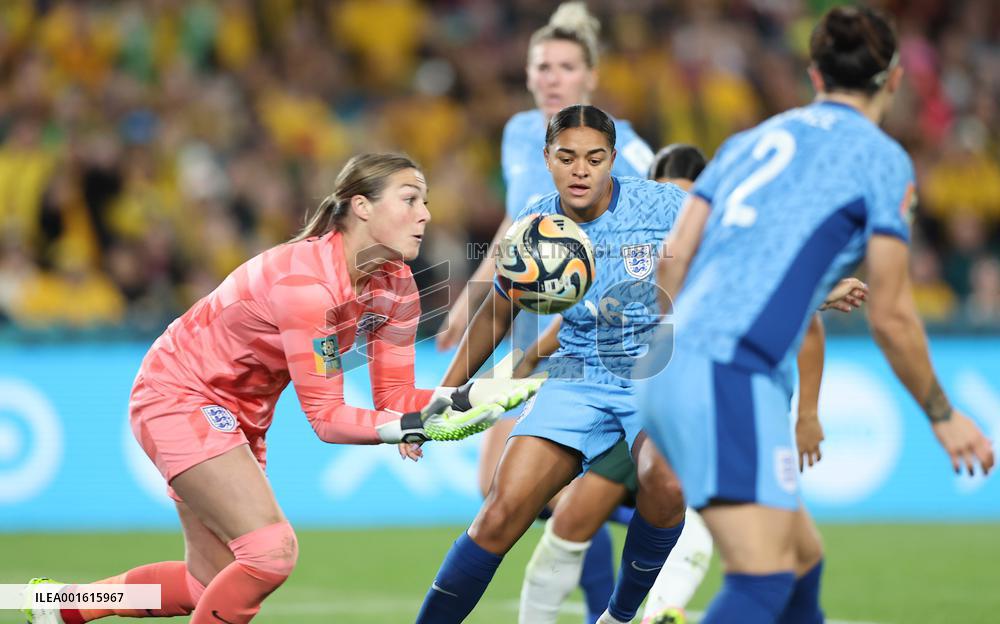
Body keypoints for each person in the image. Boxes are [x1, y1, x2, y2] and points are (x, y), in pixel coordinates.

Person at [23, 153, 541, 624]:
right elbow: (328, 419)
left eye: (425, 201)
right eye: (409, 199)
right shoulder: (306, 287)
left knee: (204, 584)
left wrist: (464, 398)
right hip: (178, 394)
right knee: (272, 551)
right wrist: (413, 425)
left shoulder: (397, 285)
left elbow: (394, 401)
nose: (426, 213)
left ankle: (57, 605)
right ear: (361, 207)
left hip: (240, 413)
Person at [639, 7, 995, 624]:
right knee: (762, 579)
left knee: (803, 562)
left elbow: (672, 262)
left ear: (814, 73)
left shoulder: (750, 142)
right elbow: (891, 316)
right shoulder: (883, 161)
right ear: (894, 80)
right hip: (728, 372)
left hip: (664, 359)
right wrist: (942, 414)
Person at [416, 104, 687, 624]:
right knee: (498, 514)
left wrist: (820, 289)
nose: (580, 170)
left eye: (594, 158)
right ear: (546, 158)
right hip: (577, 375)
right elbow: (497, 314)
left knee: (668, 483)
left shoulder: (664, 206)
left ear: (612, 160)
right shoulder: (535, 224)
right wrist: (446, 395)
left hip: (656, 377)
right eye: (566, 157)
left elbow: (737, 254)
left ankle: (619, 617)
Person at [516, 144, 712, 624]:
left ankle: (656, 611)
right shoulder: (636, 247)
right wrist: (522, 371)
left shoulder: (713, 257)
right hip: (626, 397)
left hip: (678, 403)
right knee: (571, 518)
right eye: (668, 196)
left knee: (674, 507)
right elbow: (582, 329)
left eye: (686, 200)